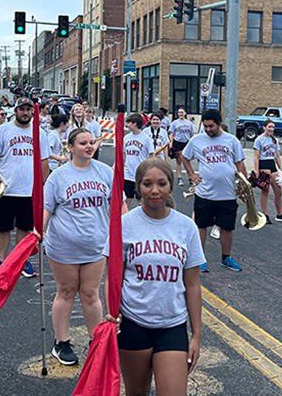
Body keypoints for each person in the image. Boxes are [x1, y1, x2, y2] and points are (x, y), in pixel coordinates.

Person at [104, 158, 202, 395]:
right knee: (136, 392)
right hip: (133, 323)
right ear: (138, 187)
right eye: (147, 184)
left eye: (162, 183)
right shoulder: (123, 224)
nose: (155, 190)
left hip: (172, 324)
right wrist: (111, 314)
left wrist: (197, 335)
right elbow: (112, 277)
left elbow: (192, 284)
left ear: (170, 186)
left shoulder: (185, 227)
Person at [44, 128, 125, 366]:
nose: (89, 146)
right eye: (83, 143)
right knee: (66, 291)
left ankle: (95, 340)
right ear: (70, 148)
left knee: (90, 293)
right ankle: (61, 342)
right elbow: (46, 207)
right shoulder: (58, 176)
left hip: (96, 245)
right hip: (64, 246)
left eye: (91, 142)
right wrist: (38, 232)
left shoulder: (105, 172)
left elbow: (118, 205)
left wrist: (128, 231)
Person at [0, 97, 49, 277]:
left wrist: (45, 186)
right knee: (3, 228)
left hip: (29, 189)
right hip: (6, 188)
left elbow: (44, 161)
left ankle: (22, 261)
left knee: (24, 228)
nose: (25, 113)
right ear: (15, 111)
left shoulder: (39, 133)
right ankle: (1, 261)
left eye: (28, 109)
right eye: (21, 109)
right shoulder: (3, 131)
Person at [180, 109, 247, 273]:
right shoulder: (197, 140)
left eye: (211, 126)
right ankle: (200, 259)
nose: (208, 129)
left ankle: (226, 258)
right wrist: (191, 174)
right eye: (205, 126)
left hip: (228, 193)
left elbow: (239, 163)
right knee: (201, 226)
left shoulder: (231, 140)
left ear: (219, 124)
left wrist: (245, 184)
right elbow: (184, 156)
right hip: (205, 193)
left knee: (227, 227)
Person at [253, 119, 282, 225]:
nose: (271, 129)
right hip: (263, 164)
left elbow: (277, 155)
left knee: (278, 191)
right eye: (269, 127)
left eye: (273, 127)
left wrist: (280, 168)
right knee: (265, 190)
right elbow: (256, 156)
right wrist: (256, 170)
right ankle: (264, 214)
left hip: (272, 164)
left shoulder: (274, 140)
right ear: (264, 127)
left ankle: (279, 214)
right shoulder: (259, 140)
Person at [123, 114, 155, 207]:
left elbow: (151, 155)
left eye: (129, 123)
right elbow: (123, 154)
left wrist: (150, 171)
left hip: (141, 174)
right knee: (126, 200)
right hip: (128, 174)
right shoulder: (126, 138)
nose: (127, 125)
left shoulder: (146, 138)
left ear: (135, 124)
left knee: (141, 200)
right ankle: (124, 219)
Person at [168, 108, 194, 187]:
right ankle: (179, 178)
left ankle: (190, 177)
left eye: (182, 112)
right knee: (179, 160)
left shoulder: (189, 123)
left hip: (186, 143)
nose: (180, 114)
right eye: (179, 112)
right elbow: (171, 134)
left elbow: (192, 134)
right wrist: (171, 143)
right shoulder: (175, 123)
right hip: (177, 142)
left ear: (185, 113)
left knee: (187, 161)